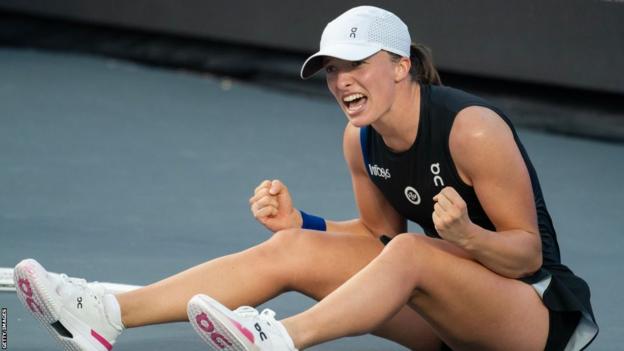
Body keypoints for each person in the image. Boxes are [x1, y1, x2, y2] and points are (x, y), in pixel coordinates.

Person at [13, 5, 597, 351]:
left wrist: (466, 237)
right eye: (331, 71)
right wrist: (304, 224)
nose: (342, 81)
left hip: (533, 318)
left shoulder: (471, 129)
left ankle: (281, 340)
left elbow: (525, 257)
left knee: (416, 256)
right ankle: (103, 317)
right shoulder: (359, 137)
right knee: (292, 247)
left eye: (356, 65)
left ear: (401, 66)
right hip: (448, 316)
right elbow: (380, 239)